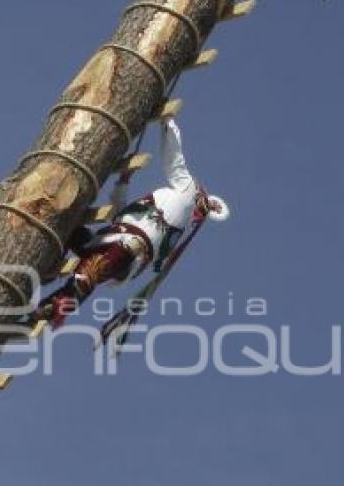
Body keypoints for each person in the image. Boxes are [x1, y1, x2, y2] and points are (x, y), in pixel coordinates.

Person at [35, 119, 229, 330]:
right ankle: (47, 275)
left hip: (127, 248)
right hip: (114, 241)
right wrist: (124, 181)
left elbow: (175, 163)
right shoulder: (175, 223)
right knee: (69, 232)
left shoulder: (189, 195)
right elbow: (121, 215)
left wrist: (168, 125)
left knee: (90, 273)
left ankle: (53, 307)